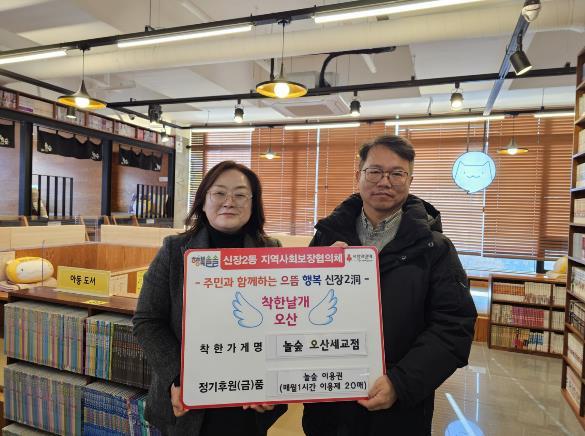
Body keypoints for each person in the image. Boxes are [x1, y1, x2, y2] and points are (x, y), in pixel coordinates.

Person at [302, 135, 477, 436]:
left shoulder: (435, 248)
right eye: (374, 171)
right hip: (329, 404)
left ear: (410, 180)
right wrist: (315, 274)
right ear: (358, 176)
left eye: (397, 173)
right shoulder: (326, 238)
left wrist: (401, 383)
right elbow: (298, 309)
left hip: (399, 413)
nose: (384, 181)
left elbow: (454, 327)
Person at [133, 160, 286, 436]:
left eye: (240, 194)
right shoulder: (174, 250)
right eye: (219, 193)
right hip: (188, 397)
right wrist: (179, 376)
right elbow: (147, 321)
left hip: (249, 399)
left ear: (253, 205)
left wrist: (271, 381)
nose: (229, 202)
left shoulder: (271, 251)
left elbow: (284, 322)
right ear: (203, 201)